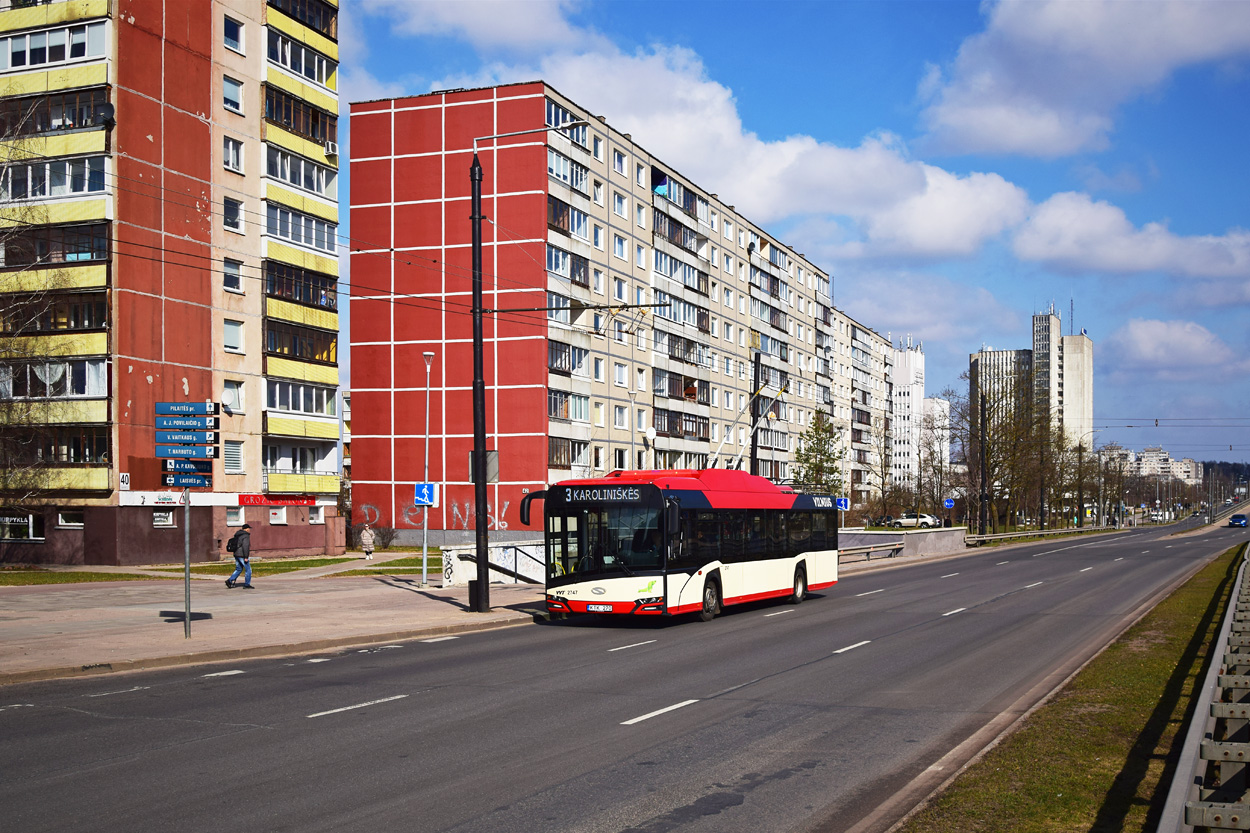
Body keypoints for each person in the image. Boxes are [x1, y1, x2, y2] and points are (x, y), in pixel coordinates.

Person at [226, 524, 253, 589]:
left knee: (239, 569)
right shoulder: (245, 535)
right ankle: (247, 584)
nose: (250, 530)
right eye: (249, 529)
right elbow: (245, 546)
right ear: (246, 529)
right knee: (248, 570)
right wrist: (246, 557)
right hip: (242, 555)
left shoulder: (238, 534)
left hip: (236, 554)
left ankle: (230, 580)